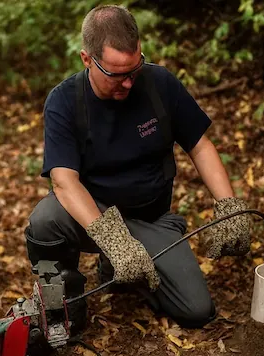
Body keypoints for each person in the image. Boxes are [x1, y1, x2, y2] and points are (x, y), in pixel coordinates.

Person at [24, 5, 251, 335]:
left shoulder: (160, 83)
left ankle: (128, 268)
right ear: (87, 59)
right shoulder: (64, 101)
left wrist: (229, 207)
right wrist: (114, 241)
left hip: (150, 220)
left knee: (197, 310)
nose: (128, 83)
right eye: (116, 75)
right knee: (45, 221)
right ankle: (66, 303)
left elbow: (200, 146)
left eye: (134, 69)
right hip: (94, 218)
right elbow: (63, 181)